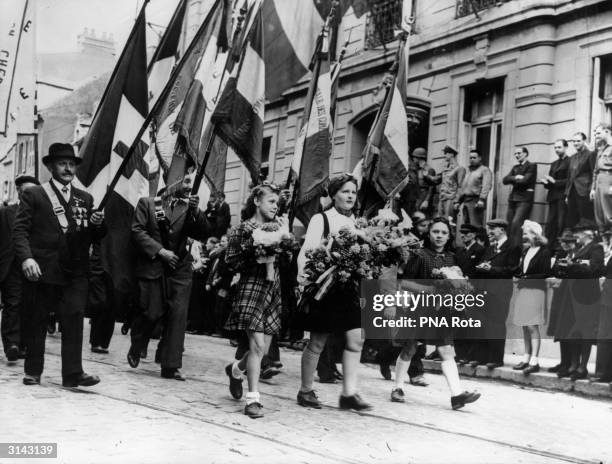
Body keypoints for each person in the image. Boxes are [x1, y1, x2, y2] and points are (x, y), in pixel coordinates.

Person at [13, 143, 105, 387]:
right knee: (37, 320)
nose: (68, 168)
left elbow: (93, 236)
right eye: (63, 163)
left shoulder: (85, 198)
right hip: (42, 269)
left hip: (75, 271)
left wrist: (97, 224)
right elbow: (20, 230)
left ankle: (73, 373)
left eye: (72, 164)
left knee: (74, 319)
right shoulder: (34, 194)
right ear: (51, 166)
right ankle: (33, 370)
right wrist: (26, 258)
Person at [296, 173, 372, 411]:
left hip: (349, 287)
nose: (350, 196)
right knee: (318, 341)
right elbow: (307, 250)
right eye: (345, 191)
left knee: (356, 339)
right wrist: (304, 278)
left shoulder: (358, 222)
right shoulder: (322, 219)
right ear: (334, 194)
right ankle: (306, 390)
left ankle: (349, 393)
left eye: (353, 192)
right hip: (325, 287)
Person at [127, 173, 211, 381]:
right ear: (171, 180)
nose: (189, 185)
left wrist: (196, 211)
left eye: (191, 181)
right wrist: (159, 251)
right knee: (151, 312)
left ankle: (170, 365)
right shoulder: (148, 203)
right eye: (186, 180)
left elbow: (204, 232)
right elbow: (137, 231)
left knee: (177, 316)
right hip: (154, 265)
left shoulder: (190, 208)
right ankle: (138, 343)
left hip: (180, 268)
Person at [391, 217, 481, 410]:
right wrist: (428, 290)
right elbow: (404, 283)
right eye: (435, 231)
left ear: (449, 236)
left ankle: (457, 395)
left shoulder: (451, 258)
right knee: (410, 348)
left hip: (442, 311)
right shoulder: (419, 255)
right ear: (428, 233)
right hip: (419, 308)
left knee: (447, 350)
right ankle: (398, 387)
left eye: (443, 233)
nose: (439, 236)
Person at [223, 183, 288, 418]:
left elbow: (287, 257)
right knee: (257, 347)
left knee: (261, 351)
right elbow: (231, 260)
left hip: (273, 289)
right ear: (257, 202)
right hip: (252, 287)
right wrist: (255, 250)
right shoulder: (244, 228)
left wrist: (285, 243)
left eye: (277, 203)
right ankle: (253, 400)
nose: (275, 206)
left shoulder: (279, 227)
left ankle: (235, 370)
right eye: (271, 201)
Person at [472, 219, 521, 368]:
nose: (490, 232)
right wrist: (482, 267)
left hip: (500, 291)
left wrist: (491, 269)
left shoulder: (512, 247)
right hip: (485, 289)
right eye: (488, 229)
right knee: (483, 323)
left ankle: (496, 359)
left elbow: (512, 269)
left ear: (502, 230)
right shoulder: (490, 247)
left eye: (493, 229)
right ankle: (482, 357)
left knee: (497, 324)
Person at [0, 175, 38, 362]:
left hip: (33, 266)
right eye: (25, 192)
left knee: (29, 306)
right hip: (11, 266)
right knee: (12, 304)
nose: (28, 196)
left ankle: (23, 344)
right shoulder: (6, 213)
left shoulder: (40, 215)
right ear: (18, 192)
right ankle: (11, 344)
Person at [560, 223, 605, 380]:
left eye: (579, 232)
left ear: (588, 234)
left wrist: (574, 265)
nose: (576, 235)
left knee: (584, 331)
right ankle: (573, 364)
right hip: (573, 293)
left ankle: (582, 366)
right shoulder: (577, 249)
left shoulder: (596, 248)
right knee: (573, 330)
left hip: (587, 295)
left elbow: (595, 269)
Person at [509, 220, 551, 375]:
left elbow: (545, 273)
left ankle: (534, 360)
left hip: (535, 291)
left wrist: (525, 278)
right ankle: (526, 358)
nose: (524, 236)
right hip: (524, 290)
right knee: (524, 326)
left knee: (532, 326)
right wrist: (518, 275)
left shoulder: (544, 252)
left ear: (534, 234)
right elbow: (522, 270)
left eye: (526, 233)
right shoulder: (526, 251)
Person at [546, 229, 578, 378]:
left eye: (569, 242)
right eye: (563, 242)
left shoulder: (577, 255)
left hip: (572, 296)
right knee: (560, 329)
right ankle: (563, 362)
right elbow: (553, 271)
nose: (565, 244)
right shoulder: (560, 254)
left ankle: (570, 363)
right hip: (560, 294)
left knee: (568, 329)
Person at [454, 223, 486, 365]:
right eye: (462, 233)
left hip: (472, 291)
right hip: (458, 291)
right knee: (458, 322)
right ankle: (460, 354)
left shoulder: (480, 250)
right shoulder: (459, 251)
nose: (463, 236)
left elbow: (480, 271)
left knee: (470, 323)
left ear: (473, 235)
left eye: (466, 234)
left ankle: (470, 354)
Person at [503, 147, 537, 246]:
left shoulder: (532, 166)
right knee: (509, 225)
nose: (517, 155)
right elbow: (505, 180)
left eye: (519, 153)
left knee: (516, 224)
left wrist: (513, 179)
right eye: (515, 154)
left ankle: (516, 249)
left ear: (526, 154)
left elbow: (525, 180)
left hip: (524, 200)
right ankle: (509, 248)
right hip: (513, 199)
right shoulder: (515, 167)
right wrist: (516, 177)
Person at [542, 139, 570, 247]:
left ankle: (559, 247)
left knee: (561, 223)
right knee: (550, 223)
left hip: (563, 196)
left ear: (566, 147)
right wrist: (546, 183)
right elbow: (550, 183)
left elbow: (570, 180)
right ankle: (548, 247)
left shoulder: (570, 161)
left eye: (559, 147)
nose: (557, 150)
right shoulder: (554, 163)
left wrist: (555, 182)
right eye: (555, 147)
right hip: (553, 197)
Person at [455, 150, 493, 228]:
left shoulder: (484, 170)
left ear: (479, 158)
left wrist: (482, 199)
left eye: (474, 157)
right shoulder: (468, 171)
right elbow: (463, 188)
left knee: (475, 226)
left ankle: (479, 240)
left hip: (475, 201)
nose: (472, 159)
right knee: (466, 226)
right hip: (466, 201)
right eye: (470, 158)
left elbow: (486, 185)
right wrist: (458, 201)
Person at [566, 132, 596, 229]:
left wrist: (592, 189)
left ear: (584, 141)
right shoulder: (572, 157)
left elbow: (593, 173)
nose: (576, 143)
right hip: (572, 192)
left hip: (584, 191)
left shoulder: (590, 154)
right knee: (572, 219)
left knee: (585, 219)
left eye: (578, 141)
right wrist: (567, 194)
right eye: (574, 141)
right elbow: (570, 177)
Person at [434, 145, 465, 220]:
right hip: (442, 198)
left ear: (452, 154)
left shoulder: (459, 169)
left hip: (451, 199)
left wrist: (457, 201)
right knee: (440, 221)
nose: (444, 155)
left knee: (449, 222)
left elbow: (461, 187)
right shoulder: (445, 169)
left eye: (446, 153)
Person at [590, 123, 612, 232]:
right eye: (595, 134)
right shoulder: (600, 149)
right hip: (599, 180)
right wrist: (593, 188)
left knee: (609, 212)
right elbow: (595, 170)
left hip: (609, 179)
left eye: (598, 133)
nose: (596, 135)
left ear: (607, 131)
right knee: (599, 213)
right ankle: (605, 244)